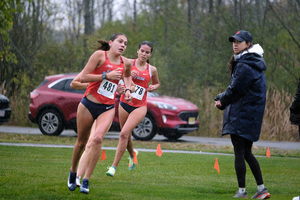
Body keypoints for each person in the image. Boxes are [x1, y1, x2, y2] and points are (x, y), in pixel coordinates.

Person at [67, 33, 133, 194]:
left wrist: (126, 89)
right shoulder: (99, 56)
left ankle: (86, 180)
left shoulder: (126, 63)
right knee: (82, 142)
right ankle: (73, 171)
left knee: (97, 139)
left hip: (107, 107)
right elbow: (83, 77)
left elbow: (127, 77)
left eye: (125, 43)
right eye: (120, 41)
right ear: (111, 43)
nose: (123, 45)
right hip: (88, 104)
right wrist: (106, 76)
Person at [214, 30, 271, 199]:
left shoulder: (245, 64)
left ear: (248, 44)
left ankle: (242, 192)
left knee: (239, 152)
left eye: (239, 41)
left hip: (242, 115)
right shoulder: (252, 62)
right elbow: (237, 89)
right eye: (234, 41)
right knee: (246, 152)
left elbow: (234, 90)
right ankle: (261, 189)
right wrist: (221, 97)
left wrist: (221, 101)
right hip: (250, 115)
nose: (235, 44)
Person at [106, 41, 160, 177]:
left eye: (147, 52)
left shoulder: (151, 69)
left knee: (123, 133)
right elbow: (119, 77)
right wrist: (120, 87)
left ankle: (113, 167)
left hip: (140, 107)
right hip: (124, 104)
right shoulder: (129, 63)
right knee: (127, 135)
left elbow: (157, 82)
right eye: (142, 51)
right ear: (137, 51)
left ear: (150, 54)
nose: (144, 54)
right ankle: (132, 155)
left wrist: (154, 87)